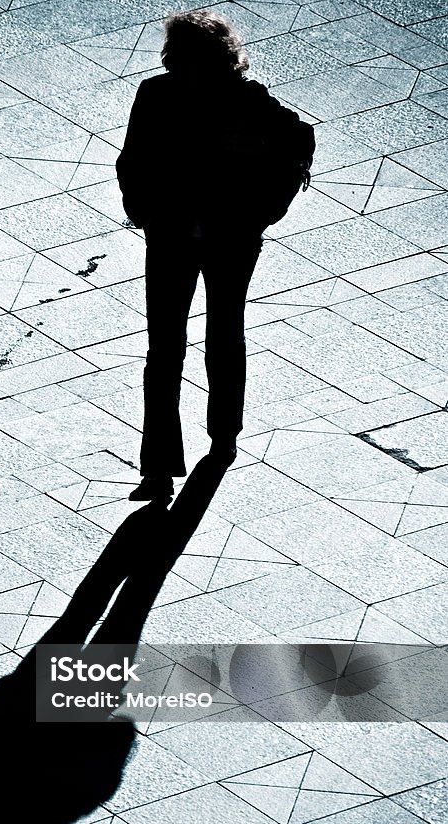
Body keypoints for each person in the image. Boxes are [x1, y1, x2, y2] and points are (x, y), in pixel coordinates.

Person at [117, 10, 314, 501]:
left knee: (205, 338)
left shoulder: (243, 102)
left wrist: (264, 212)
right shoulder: (161, 95)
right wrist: (144, 211)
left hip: (225, 236)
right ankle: (174, 458)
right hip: (177, 235)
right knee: (179, 344)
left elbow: (298, 144)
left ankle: (213, 438)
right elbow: (132, 161)